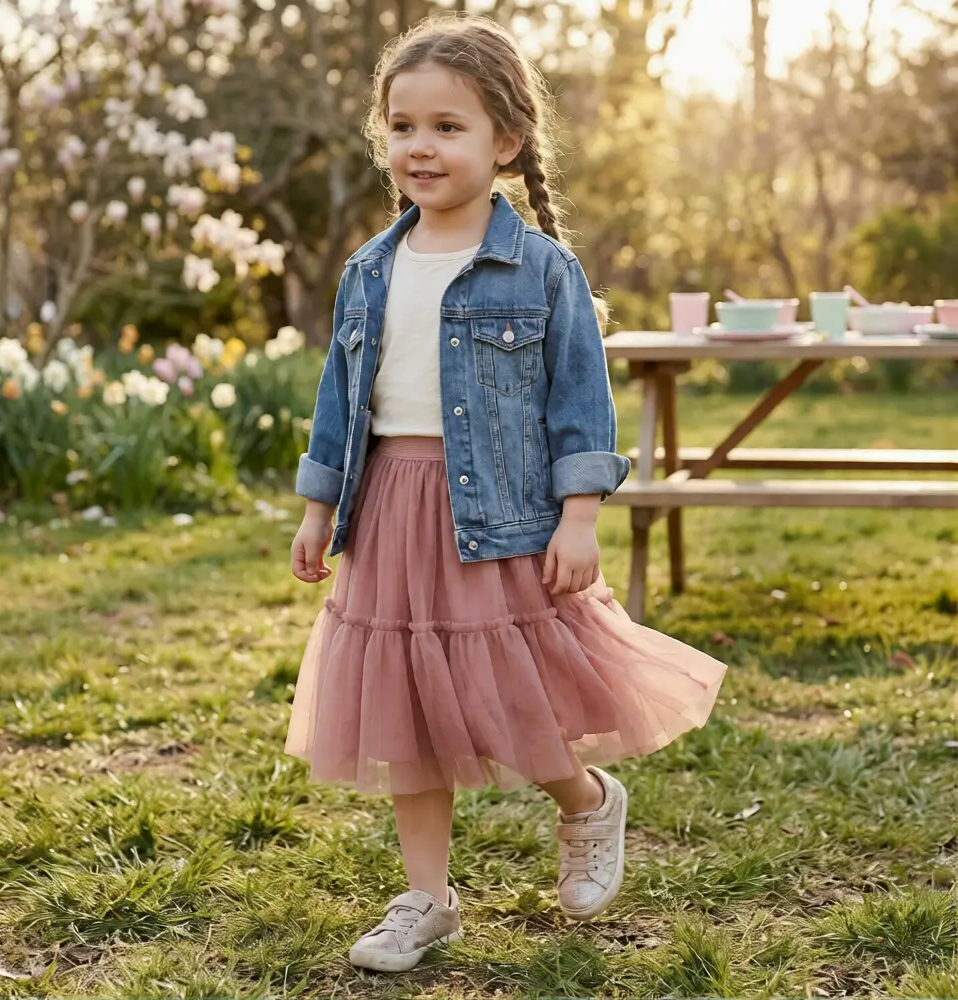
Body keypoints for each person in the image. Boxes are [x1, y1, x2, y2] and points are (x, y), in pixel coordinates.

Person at [285, 13, 727, 974]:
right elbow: (339, 398)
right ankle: (426, 896)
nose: (421, 146)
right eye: (404, 126)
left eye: (449, 126)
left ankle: (587, 801)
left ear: (506, 142)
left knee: (507, 696)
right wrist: (320, 506)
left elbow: (581, 406)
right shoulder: (368, 269)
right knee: (402, 703)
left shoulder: (541, 270)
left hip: (499, 515)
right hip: (390, 508)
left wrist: (579, 517)